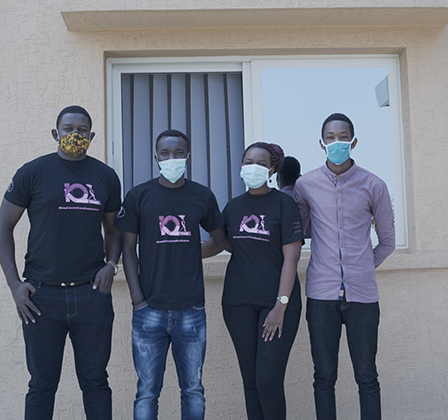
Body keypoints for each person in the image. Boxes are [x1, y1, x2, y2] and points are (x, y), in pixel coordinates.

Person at [0, 105, 122, 420]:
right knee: (41, 384)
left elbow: (114, 228)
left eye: (81, 130)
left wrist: (112, 264)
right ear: (56, 134)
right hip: (40, 296)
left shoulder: (105, 176)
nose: (74, 135)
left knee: (95, 382)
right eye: (68, 129)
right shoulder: (32, 173)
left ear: (91, 136)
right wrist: (15, 285)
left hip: (91, 294)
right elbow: (2, 228)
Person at [114, 129, 229, 420]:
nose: (172, 158)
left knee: (192, 390)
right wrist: (138, 299)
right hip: (148, 309)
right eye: (165, 153)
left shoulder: (201, 195)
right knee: (147, 391)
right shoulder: (139, 195)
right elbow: (128, 249)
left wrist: (191, 251)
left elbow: (220, 240)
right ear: (156, 157)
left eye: (178, 153)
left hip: (190, 309)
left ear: (188, 156)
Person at [293, 113, 395, 420]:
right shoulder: (305, 185)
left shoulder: (373, 185)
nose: (336, 141)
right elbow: (299, 232)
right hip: (321, 295)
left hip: (363, 296)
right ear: (322, 143)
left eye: (342, 136)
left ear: (353, 141)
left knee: (367, 376)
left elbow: (387, 241)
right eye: (330, 136)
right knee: (324, 377)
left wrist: (362, 267)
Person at [202, 142, 304, 420]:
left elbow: (291, 259)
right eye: (248, 161)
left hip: (277, 305)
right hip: (238, 303)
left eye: (260, 163)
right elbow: (216, 244)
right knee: (250, 381)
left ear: (272, 169)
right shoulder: (234, 207)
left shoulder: (284, 204)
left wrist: (280, 306)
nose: (253, 167)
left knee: (268, 380)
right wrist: (175, 247)